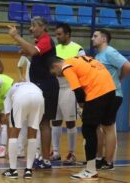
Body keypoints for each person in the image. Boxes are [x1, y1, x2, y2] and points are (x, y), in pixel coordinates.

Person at [50, 56, 116, 180]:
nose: (58, 76)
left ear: (55, 66)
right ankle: (105, 161)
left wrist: (82, 106)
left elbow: (77, 90)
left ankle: (90, 170)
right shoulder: (79, 59)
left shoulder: (66, 66)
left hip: (97, 93)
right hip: (111, 90)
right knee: (105, 127)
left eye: (55, 74)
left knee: (88, 130)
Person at [8, 16, 59, 169]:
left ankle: (45, 159)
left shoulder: (46, 40)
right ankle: (39, 157)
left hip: (47, 86)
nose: (30, 28)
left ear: (43, 27)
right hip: (38, 86)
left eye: (34, 26)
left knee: (44, 123)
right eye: (30, 25)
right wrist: (26, 51)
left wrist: (17, 37)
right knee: (37, 123)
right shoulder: (39, 42)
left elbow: (33, 51)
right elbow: (33, 53)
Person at [92, 29, 130, 170]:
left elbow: (127, 66)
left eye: (95, 36)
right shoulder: (98, 56)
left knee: (108, 128)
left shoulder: (110, 52)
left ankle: (109, 162)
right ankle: (100, 158)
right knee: (100, 127)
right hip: (102, 95)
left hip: (113, 95)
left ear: (104, 39)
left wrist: (119, 79)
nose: (92, 38)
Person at [50, 23, 86, 164]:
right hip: (55, 87)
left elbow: (83, 67)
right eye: (56, 34)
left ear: (67, 34)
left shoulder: (78, 49)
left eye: (59, 34)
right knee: (56, 121)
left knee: (70, 122)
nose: (57, 37)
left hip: (70, 87)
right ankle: (56, 151)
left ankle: (71, 153)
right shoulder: (55, 48)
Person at [1, 82, 44, 179]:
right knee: (33, 133)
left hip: (21, 98)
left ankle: (12, 170)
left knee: (14, 133)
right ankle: (28, 170)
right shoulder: (33, 85)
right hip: (39, 98)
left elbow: (7, 115)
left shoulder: (11, 89)